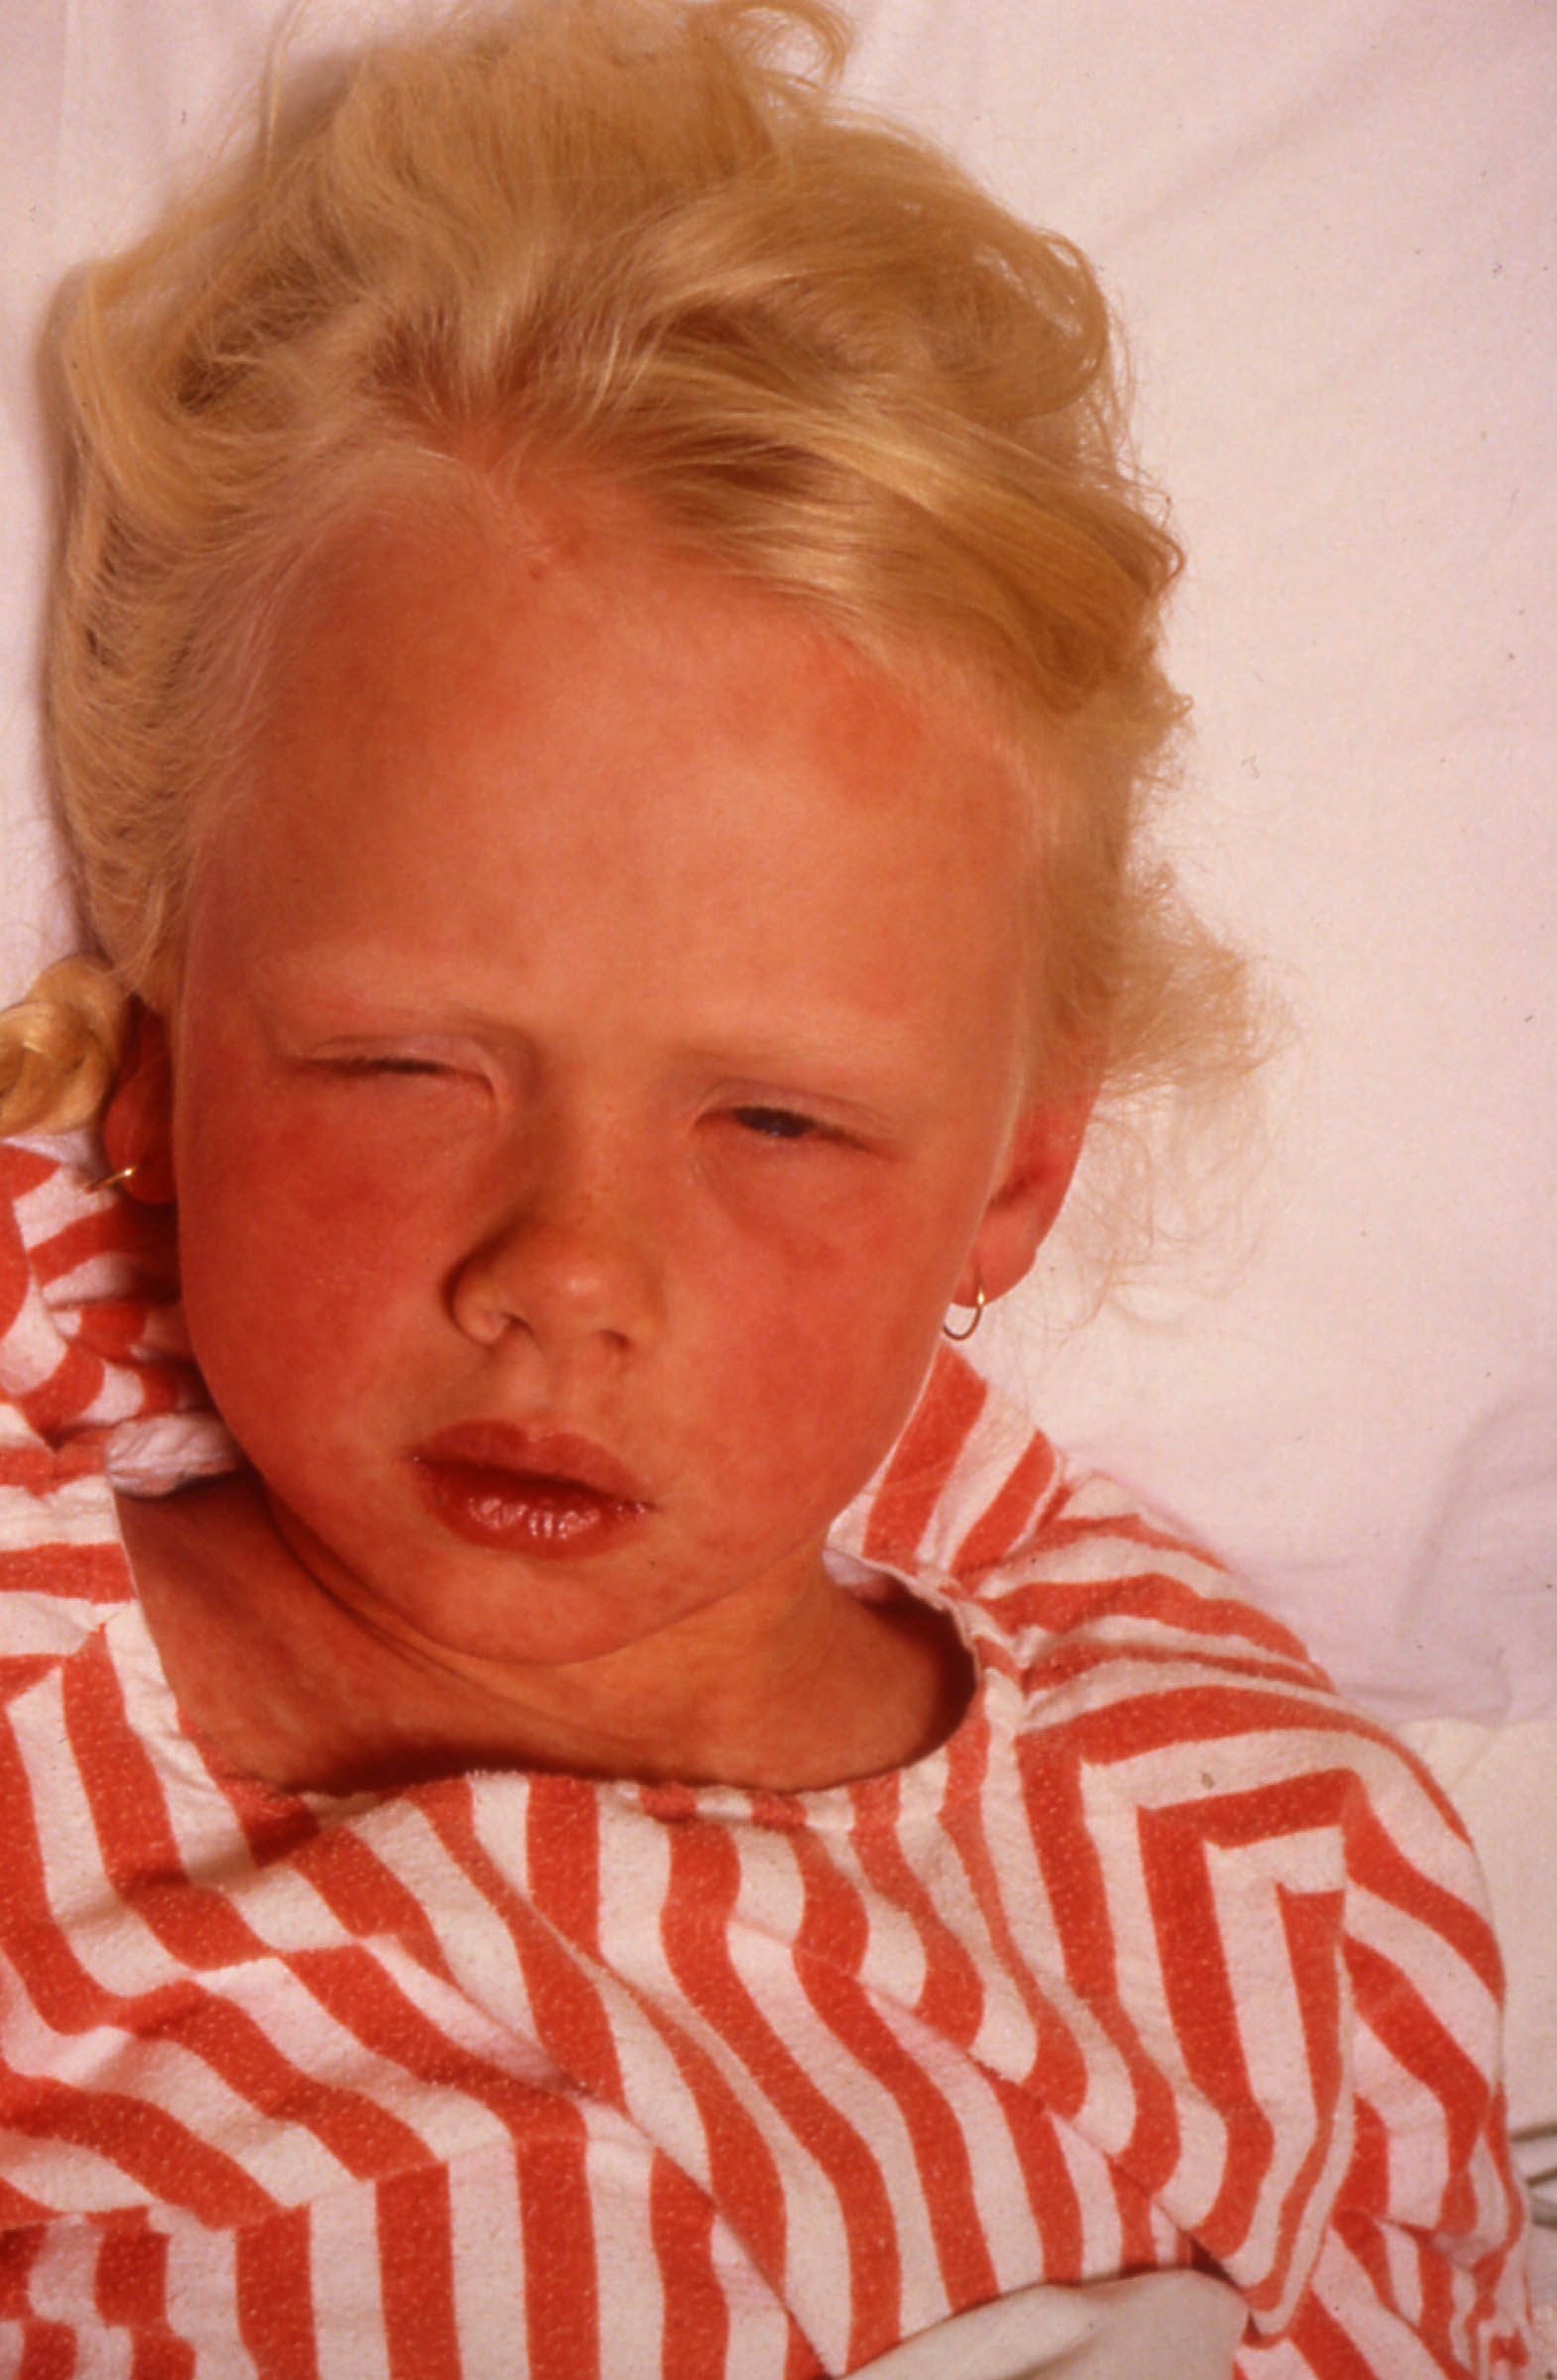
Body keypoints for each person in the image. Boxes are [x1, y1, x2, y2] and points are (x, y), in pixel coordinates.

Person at [0, 1, 1530, 2372]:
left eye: (779, 1123)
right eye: (406, 1064)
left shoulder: (1279, 1883)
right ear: (170, 1074)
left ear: (1013, 1181)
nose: (568, 1275)